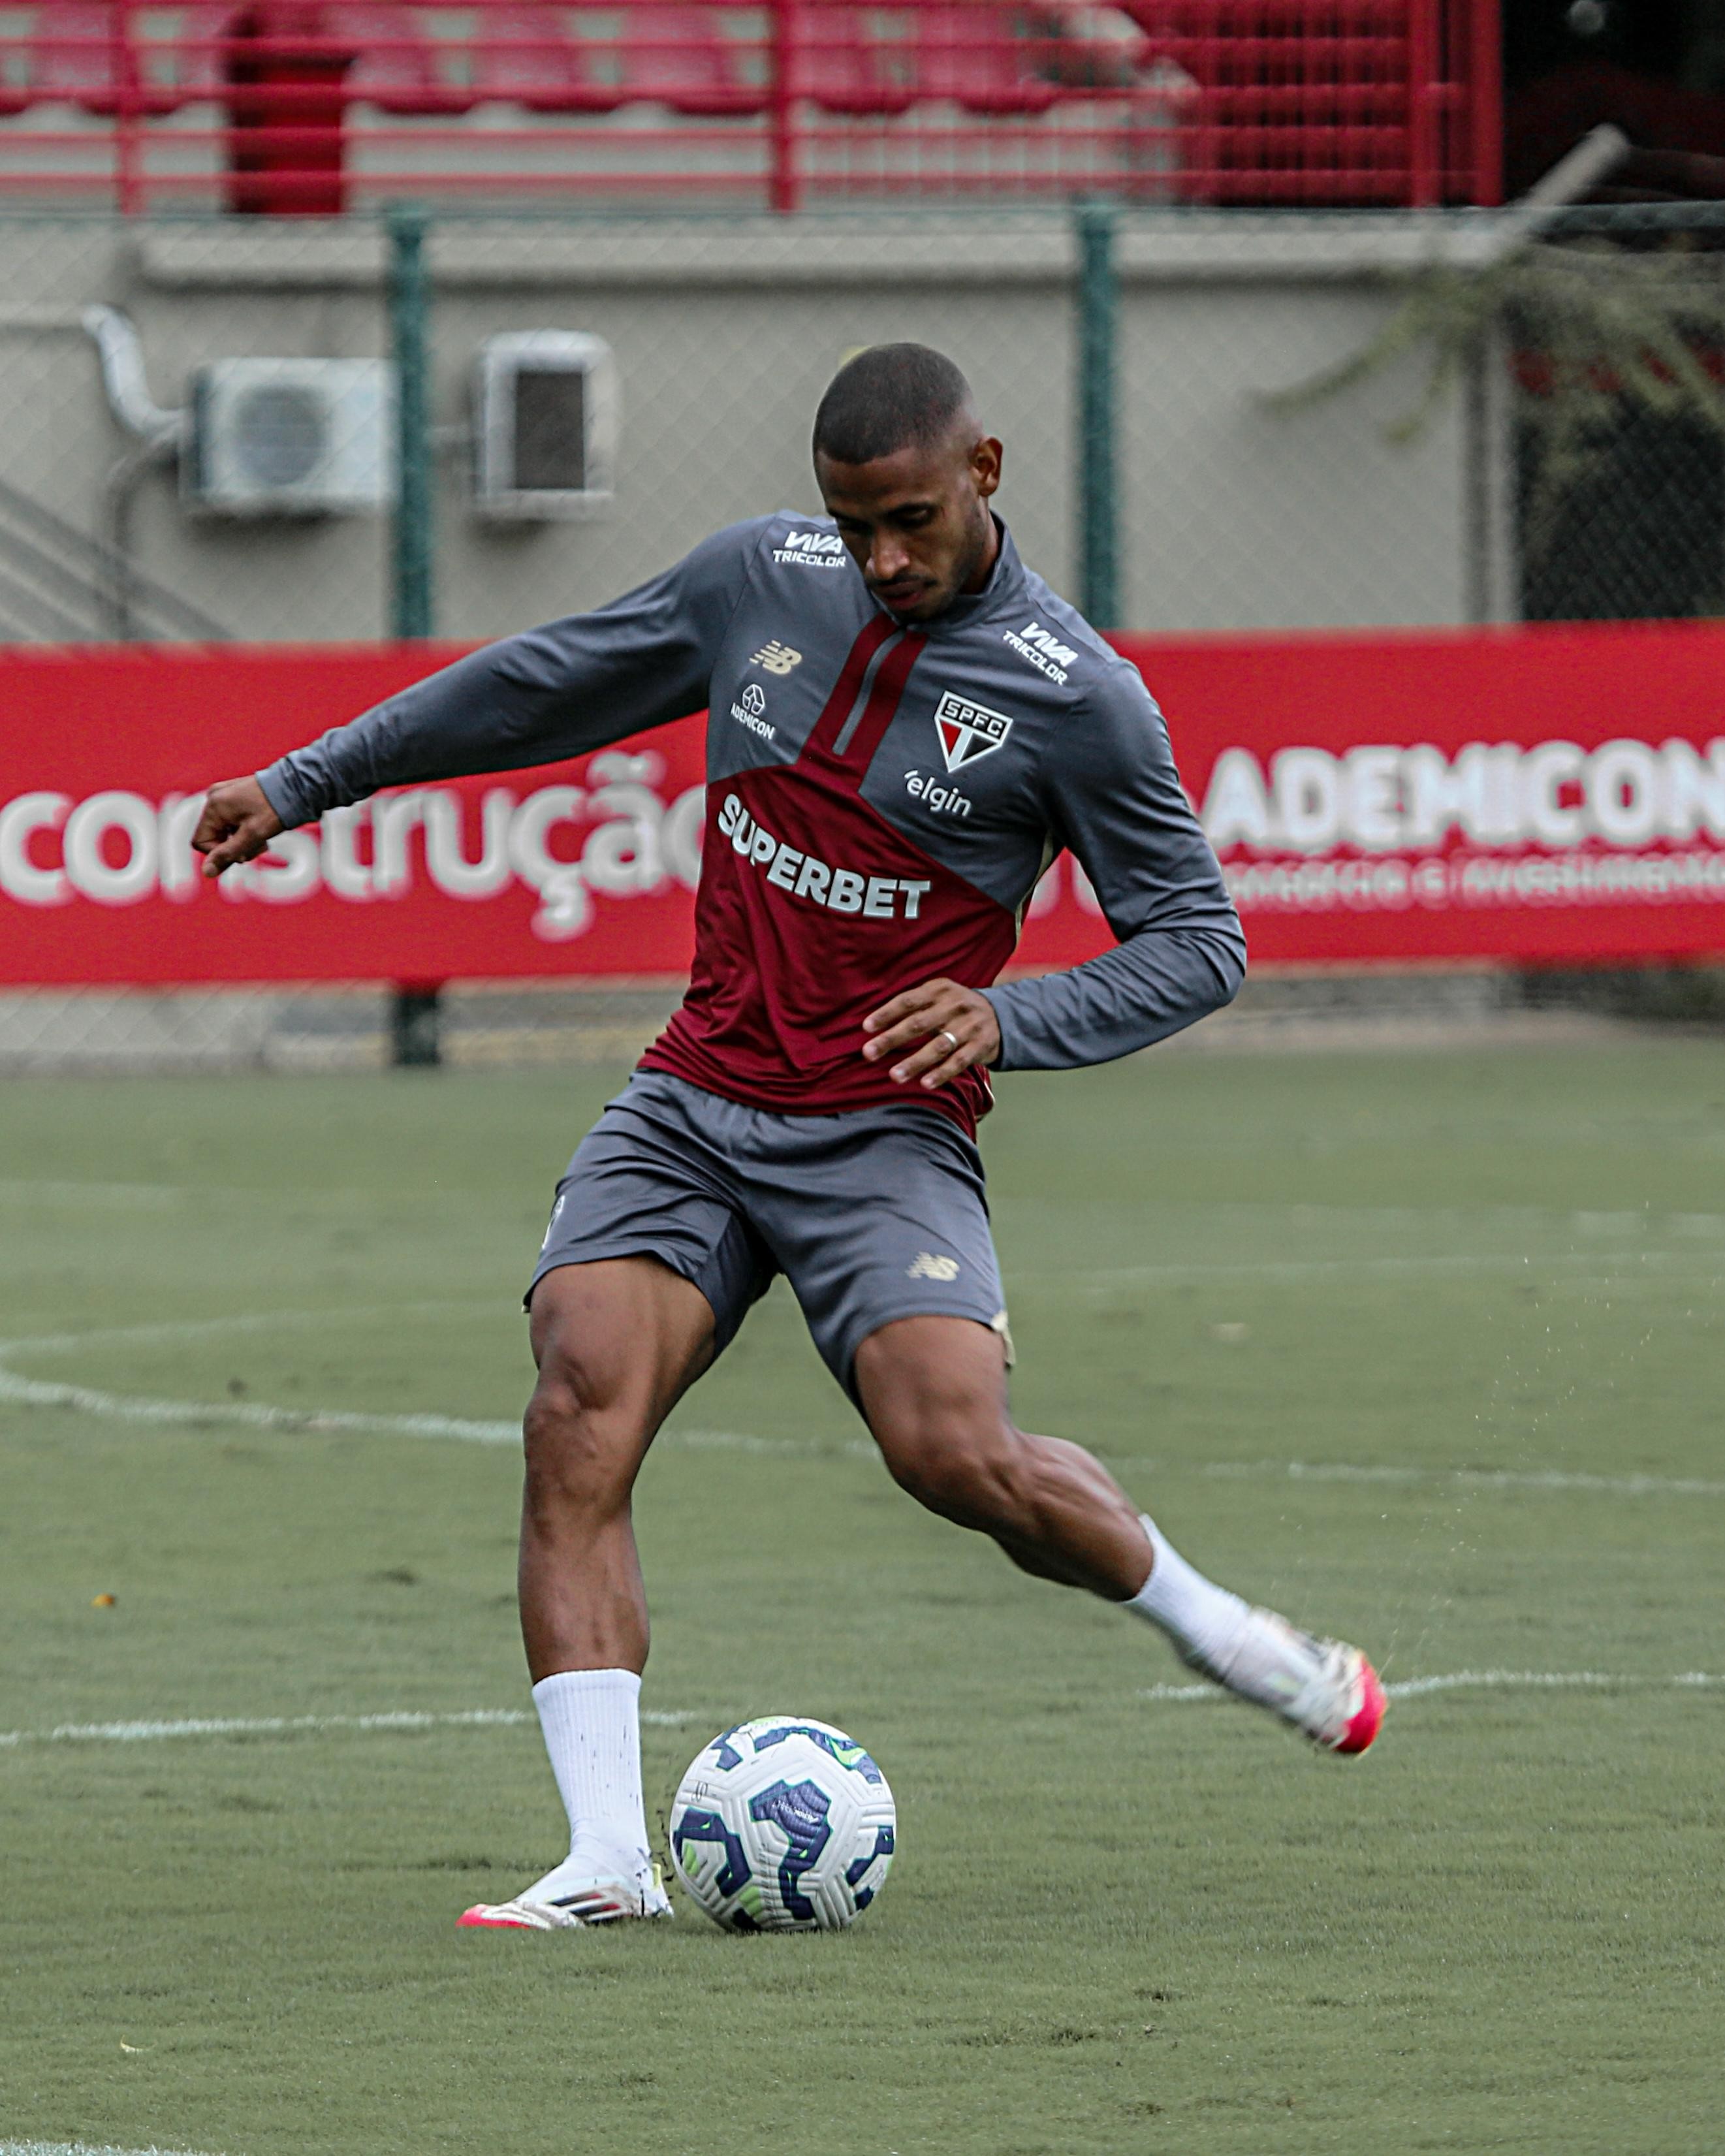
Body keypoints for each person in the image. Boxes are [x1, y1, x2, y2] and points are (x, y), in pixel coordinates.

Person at [193, 342, 1384, 1933]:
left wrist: (1008, 1016)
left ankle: (1220, 1627)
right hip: (696, 1095)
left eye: (907, 518)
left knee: (950, 1452)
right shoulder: (761, 577)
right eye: (855, 523)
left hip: (880, 1132)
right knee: (576, 1402)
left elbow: (1198, 938)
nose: (882, 557)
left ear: (988, 472)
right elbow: (545, 678)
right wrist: (309, 778)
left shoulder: (1077, 696)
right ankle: (610, 1858)